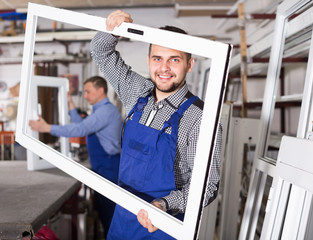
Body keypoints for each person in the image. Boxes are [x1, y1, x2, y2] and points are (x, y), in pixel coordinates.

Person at [90, 10, 222, 239]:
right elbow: (101, 51)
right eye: (157, 58)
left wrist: (163, 205)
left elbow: (207, 187)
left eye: (174, 59)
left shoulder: (200, 118)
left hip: (163, 226)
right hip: (123, 220)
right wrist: (116, 27)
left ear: (189, 65)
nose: (164, 68)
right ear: (149, 61)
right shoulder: (136, 93)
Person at [29, 76, 122, 237]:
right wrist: (70, 103)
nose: (85, 96)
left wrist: (46, 128)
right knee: (102, 210)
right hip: (103, 167)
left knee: (109, 214)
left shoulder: (106, 112)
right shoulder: (99, 111)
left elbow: (80, 130)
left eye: (88, 92)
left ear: (100, 91)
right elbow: (81, 125)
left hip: (109, 167)